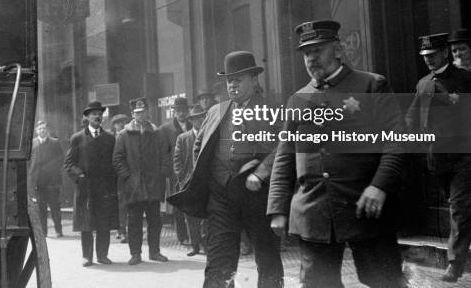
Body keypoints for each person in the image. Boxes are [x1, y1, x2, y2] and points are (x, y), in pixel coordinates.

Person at [267, 20, 407, 288]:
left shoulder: (370, 85)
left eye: (318, 50)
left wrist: (379, 186)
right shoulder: (298, 99)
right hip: (314, 211)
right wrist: (277, 208)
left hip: (366, 208)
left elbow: (397, 142)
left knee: (385, 281)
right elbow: (284, 157)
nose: (311, 59)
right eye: (307, 53)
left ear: (339, 50)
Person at [169, 51, 283, 288]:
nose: (232, 84)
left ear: (254, 80)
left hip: (258, 196)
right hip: (221, 197)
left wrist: (261, 172)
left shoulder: (273, 109)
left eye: (238, 78)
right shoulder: (216, 111)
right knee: (219, 260)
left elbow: (285, 147)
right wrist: (207, 177)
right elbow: (198, 145)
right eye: (229, 79)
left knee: (267, 257)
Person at [406, 33, 471, 282]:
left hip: (463, 157)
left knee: (460, 208)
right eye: (425, 57)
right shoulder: (423, 84)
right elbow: (412, 117)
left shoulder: (464, 78)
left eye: (432, 55)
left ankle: (455, 264)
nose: (428, 60)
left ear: (445, 52)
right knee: (459, 207)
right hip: (436, 158)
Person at [113, 97, 170, 265]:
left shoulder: (157, 132)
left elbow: (166, 155)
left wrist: (162, 174)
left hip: (153, 185)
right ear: (132, 114)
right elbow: (117, 160)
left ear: (148, 112)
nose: (141, 115)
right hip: (133, 186)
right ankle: (135, 254)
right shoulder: (124, 134)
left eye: (144, 112)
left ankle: (155, 252)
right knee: (134, 222)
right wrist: (128, 178)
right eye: (138, 112)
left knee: (155, 221)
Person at [64, 101, 119, 267]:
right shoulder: (77, 138)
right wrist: (79, 175)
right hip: (85, 188)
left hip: (104, 188)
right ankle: (87, 257)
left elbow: (115, 162)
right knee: (86, 224)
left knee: (104, 222)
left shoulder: (110, 138)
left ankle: (102, 255)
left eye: (99, 113)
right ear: (86, 117)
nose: (97, 116)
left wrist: (113, 184)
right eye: (93, 113)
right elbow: (69, 163)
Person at [173, 105, 207, 256]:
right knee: (190, 216)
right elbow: (177, 160)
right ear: (191, 120)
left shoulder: (210, 135)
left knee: (207, 216)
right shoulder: (183, 138)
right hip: (188, 182)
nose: (198, 121)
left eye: (201, 117)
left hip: (207, 182)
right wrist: (182, 178)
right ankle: (195, 246)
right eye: (195, 118)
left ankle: (206, 245)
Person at [160, 96, 191, 245]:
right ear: (174, 112)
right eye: (178, 110)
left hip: (192, 171)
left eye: (184, 110)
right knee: (179, 205)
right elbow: (164, 153)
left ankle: (195, 236)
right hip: (176, 174)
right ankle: (182, 236)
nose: (181, 113)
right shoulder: (166, 129)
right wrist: (170, 171)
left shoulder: (193, 125)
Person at [28, 120, 63, 238]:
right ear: (36, 131)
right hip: (38, 182)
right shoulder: (32, 144)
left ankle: (58, 229)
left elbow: (60, 160)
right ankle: (44, 232)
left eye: (44, 128)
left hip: (52, 182)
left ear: (47, 130)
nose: (42, 130)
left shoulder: (54, 143)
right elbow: (29, 163)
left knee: (55, 207)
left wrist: (56, 177)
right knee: (41, 209)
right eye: (40, 128)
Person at [111, 113, 130, 243]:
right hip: (113, 177)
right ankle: (120, 230)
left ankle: (124, 230)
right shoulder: (110, 139)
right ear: (114, 126)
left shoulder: (129, 137)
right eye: (118, 123)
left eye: (123, 122)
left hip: (127, 175)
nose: (121, 125)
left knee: (125, 204)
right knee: (117, 204)